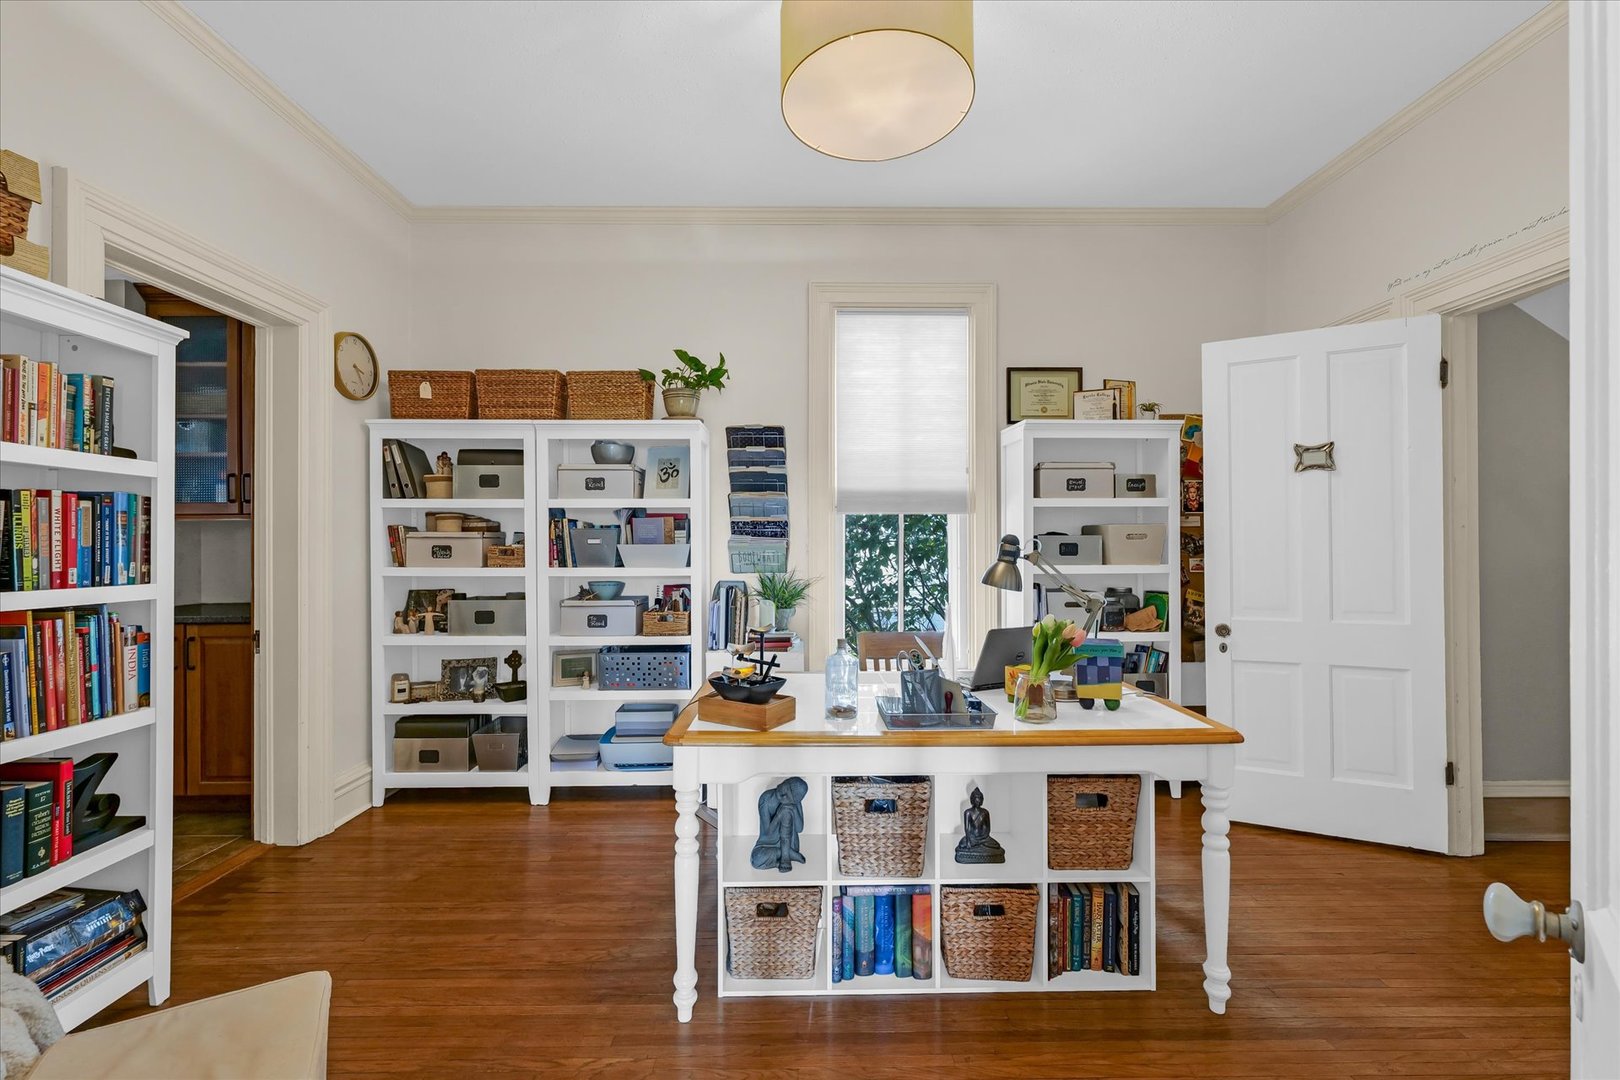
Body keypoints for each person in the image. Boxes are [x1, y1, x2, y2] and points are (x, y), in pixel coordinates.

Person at [750, 777, 808, 872]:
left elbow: (799, 828)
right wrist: (778, 815)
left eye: (789, 797)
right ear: (784, 782)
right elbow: (767, 833)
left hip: (790, 843)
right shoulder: (766, 799)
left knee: (787, 812)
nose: (783, 795)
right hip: (768, 844)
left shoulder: (794, 803)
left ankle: (786, 855)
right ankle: (787, 854)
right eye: (785, 788)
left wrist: (793, 809)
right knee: (756, 859)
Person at [955, 787, 1006, 864]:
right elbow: (967, 828)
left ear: (982, 800)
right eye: (976, 798)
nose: (978, 800)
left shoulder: (985, 812)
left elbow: (988, 828)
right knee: (962, 845)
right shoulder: (968, 812)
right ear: (972, 800)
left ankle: (979, 845)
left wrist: (983, 837)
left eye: (980, 798)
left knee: (996, 845)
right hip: (972, 837)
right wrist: (969, 840)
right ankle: (979, 845)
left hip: (983, 838)